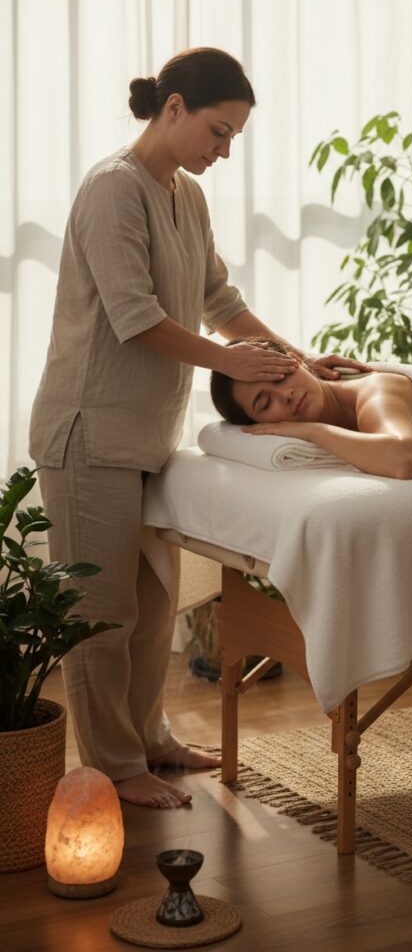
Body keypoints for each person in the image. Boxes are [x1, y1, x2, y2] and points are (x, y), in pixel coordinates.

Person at [29, 47, 365, 809]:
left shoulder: (186, 194)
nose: (224, 150)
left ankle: (149, 741)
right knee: (101, 616)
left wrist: (295, 358)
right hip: (88, 432)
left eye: (233, 137)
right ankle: (116, 769)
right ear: (173, 107)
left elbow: (219, 298)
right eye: (219, 132)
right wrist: (232, 364)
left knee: (151, 610)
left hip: (148, 435)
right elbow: (136, 317)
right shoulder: (114, 188)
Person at [211, 337, 412, 480]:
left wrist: (313, 431)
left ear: (298, 360)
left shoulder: (374, 391)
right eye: (266, 403)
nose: (285, 395)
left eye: (281, 377)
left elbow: (404, 460)